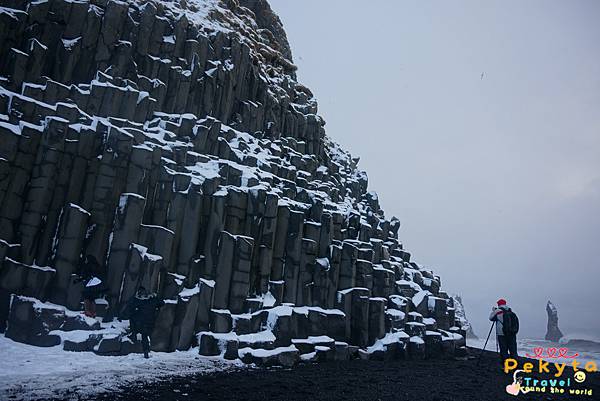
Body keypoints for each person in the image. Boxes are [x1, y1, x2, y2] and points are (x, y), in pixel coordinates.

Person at [126, 287, 164, 358]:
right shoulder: (152, 300)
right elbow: (162, 303)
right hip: (150, 321)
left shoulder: (137, 300)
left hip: (140, 322)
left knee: (143, 335)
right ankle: (147, 350)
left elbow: (130, 309)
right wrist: (155, 297)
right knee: (145, 335)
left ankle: (134, 335)